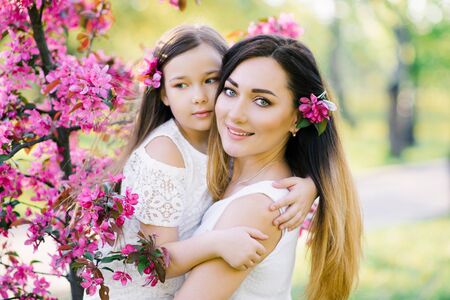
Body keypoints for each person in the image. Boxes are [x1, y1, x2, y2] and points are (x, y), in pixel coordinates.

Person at [85, 26, 318, 299]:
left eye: (212, 80)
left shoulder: (230, 139)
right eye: (181, 84)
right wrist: (216, 243)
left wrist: (311, 185)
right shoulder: (164, 153)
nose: (199, 96)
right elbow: (153, 261)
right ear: (163, 94)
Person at [175, 34, 363, 300]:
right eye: (230, 91)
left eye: (262, 101)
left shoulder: (259, 208)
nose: (235, 114)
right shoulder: (228, 171)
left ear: (297, 119)